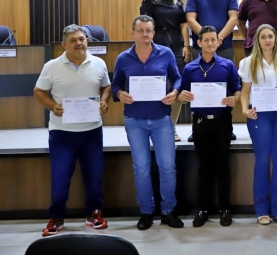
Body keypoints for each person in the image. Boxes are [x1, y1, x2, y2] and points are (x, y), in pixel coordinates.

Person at [34, 25, 111, 237]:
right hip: (62, 133)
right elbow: (39, 91)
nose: (79, 43)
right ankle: (56, 217)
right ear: (64, 44)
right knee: (60, 178)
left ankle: (94, 214)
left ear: (87, 40)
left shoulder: (99, 63)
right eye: (73, 40)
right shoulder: (52, 66)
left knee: (94, 177)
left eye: (82, 39)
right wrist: (52, 107)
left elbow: (106, 86)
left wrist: (104, 102)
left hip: (92, 131)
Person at [111, 15, 183, 230]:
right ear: (132, 33)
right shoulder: (123, 58)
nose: (144, 34)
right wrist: (121, 94)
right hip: (135, 120)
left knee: (167, 167)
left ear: (154, 33)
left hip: (161, 118)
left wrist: (175, 92)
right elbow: (115, 86)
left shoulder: (166, 53)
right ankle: (146, 212)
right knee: (141, 168)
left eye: (148, 30)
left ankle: (168, 210)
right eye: (140, 30)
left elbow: (177, 78)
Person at [178, 25, 241, 227]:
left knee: (223, 166)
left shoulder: (227, 65)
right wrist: (182, 96)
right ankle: (203, 210)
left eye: (214, 40)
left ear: (218, 42)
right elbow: (181, 92)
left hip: (222, 121)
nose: (210, 43)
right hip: (200, 123)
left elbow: (237, 90)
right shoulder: (190, 69)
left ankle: (224, 209)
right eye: (206, 40)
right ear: (199, 43)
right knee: (203, 167)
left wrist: (235, 99)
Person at [239, 24, 277, 225]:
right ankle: (262, 209)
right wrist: (245, 109)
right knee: (262, 160)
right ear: (257, 40)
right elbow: (245, 92)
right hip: (258, 116)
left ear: (275, 39)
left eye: (270, 36)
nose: (267, 40)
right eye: (263, 37)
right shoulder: (247, 63)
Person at [186, 0, 240, 142]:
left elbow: (233, 18)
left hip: (224, 47)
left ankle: (227, 126)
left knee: (227, 87)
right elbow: (191, 19)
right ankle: (197, 128)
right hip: (200, 47)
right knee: (198, 86)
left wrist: (218, 38)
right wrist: (206, 38)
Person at [140, 0, 190, 142]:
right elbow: (144, 27)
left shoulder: (178, 1)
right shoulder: (149, 1)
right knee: (158, 86)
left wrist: (186, 45)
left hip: (176, 46)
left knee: (176, 87)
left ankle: (171, 127)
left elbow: (184, 25)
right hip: (156, 46)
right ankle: (155, 128)